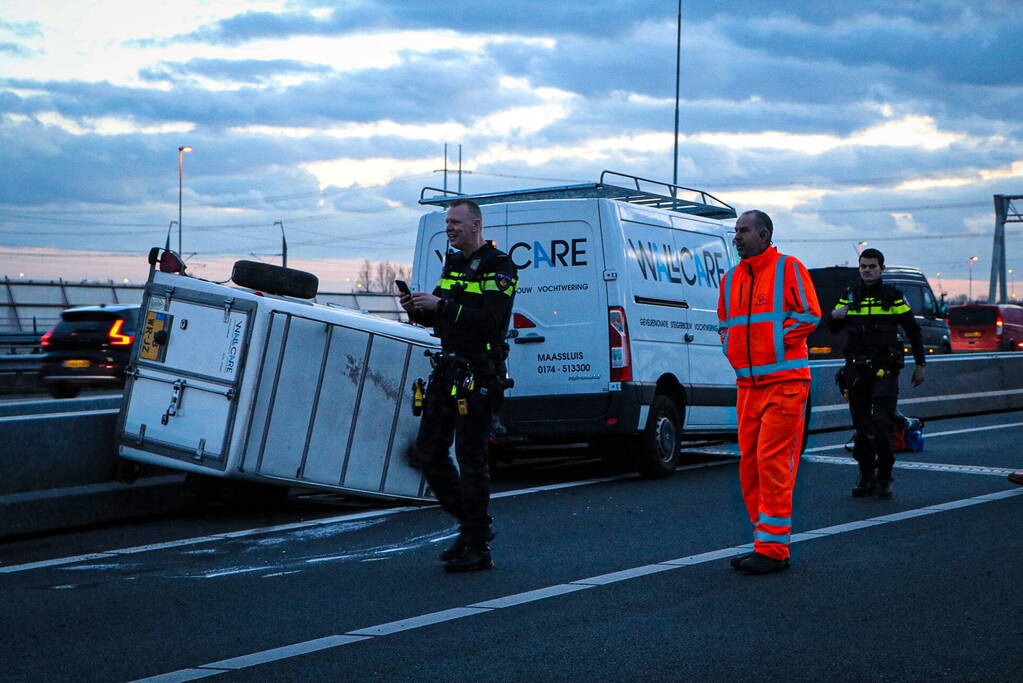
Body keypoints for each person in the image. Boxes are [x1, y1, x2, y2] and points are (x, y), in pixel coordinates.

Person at [399, 198, 518, 573]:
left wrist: (441, 306)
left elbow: (490, 320)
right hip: (448, 369)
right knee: (426, 451)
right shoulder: (454, 263)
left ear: (475, 226)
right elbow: (443, 319)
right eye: (447, 222)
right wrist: (418, 310)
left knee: (471, 458)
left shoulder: (499, 266)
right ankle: (471, 527)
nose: (448, 228)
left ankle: (477, 546)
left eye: (455, 222)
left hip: (479, 372)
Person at [717, 210, 821, 574]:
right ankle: (765, 542)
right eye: (736, 231)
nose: (737, 237)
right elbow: (724, 324)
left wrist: (771, 345)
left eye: (744, 230)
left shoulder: (788, 267)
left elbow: (809, 315)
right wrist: (733, 348)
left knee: (772, 462)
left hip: (785, 384)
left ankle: (773, 550)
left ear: (764, 235)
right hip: (748, 386)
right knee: (750, 466)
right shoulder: (730, 278)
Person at [829, 248, 925, 500]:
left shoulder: (893, 296)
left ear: (882, 269)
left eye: (872, 266)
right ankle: (866, 477)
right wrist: (835, 316)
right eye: (863, 266)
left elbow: (913, 330)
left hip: (885, 369)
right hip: (856, 370)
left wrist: (920, 365)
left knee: (881, 422)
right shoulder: (850, 295)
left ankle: (884, 477)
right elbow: (833, 327)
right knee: (862, 427)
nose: (867, 270)